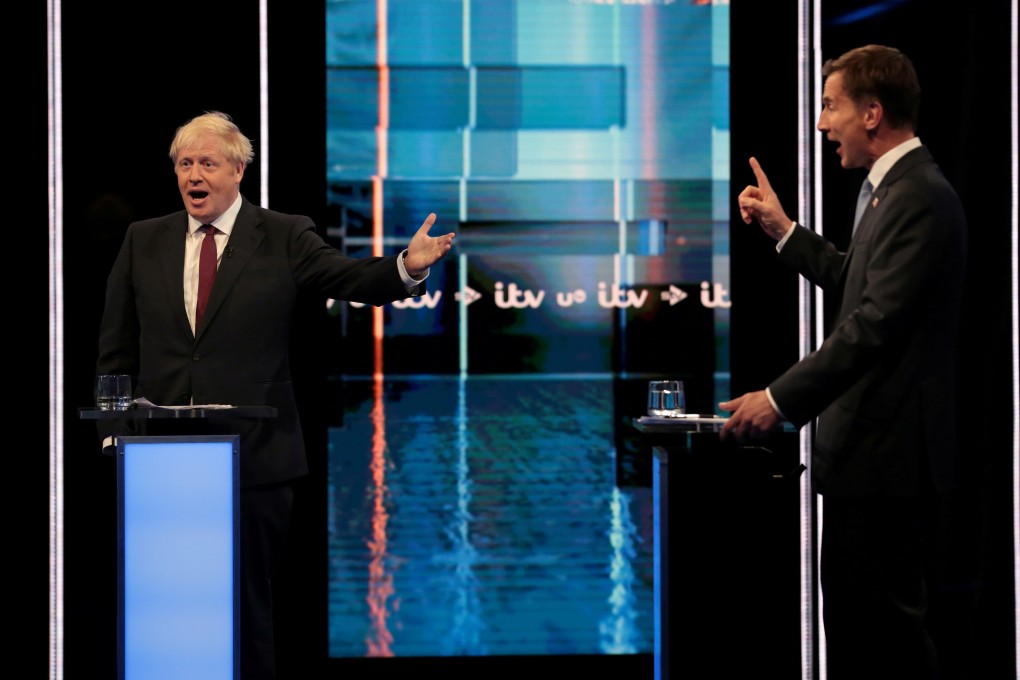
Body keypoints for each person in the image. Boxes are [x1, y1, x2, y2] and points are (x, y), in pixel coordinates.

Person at [94, 110, 455, 679]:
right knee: (167, 605)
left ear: (237, 170)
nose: (194, 174)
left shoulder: (283, 234)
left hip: (255, 457)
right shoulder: (145, 239)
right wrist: (114, 433)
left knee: (245, 604)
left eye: (207, 163)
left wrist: (407, 266)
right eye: (185, 163)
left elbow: (351, 280)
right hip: (160, 459)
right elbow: (116, 345)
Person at [720, 45, 967, 679]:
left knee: (886, 645)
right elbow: (857, 282)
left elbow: (873, 326)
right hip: (867, 462)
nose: (822, 122)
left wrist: (778, 401)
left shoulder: (919, 195)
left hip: (889, 463)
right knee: (859, 641)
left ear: (873, 113)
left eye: (830, 106)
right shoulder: (887, 192)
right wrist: (784, 231)